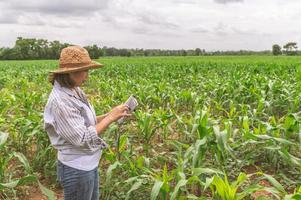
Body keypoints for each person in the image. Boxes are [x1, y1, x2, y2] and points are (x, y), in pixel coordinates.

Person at [43, 45, 130, 200]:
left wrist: (112, 114)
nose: (87, 76)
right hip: (76, 168)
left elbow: (85, 122)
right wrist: (110, 118)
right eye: (85, 70)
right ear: (71, 73)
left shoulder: (74, 90)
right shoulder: (60, 101)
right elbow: (82, 138)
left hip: (88, 164)